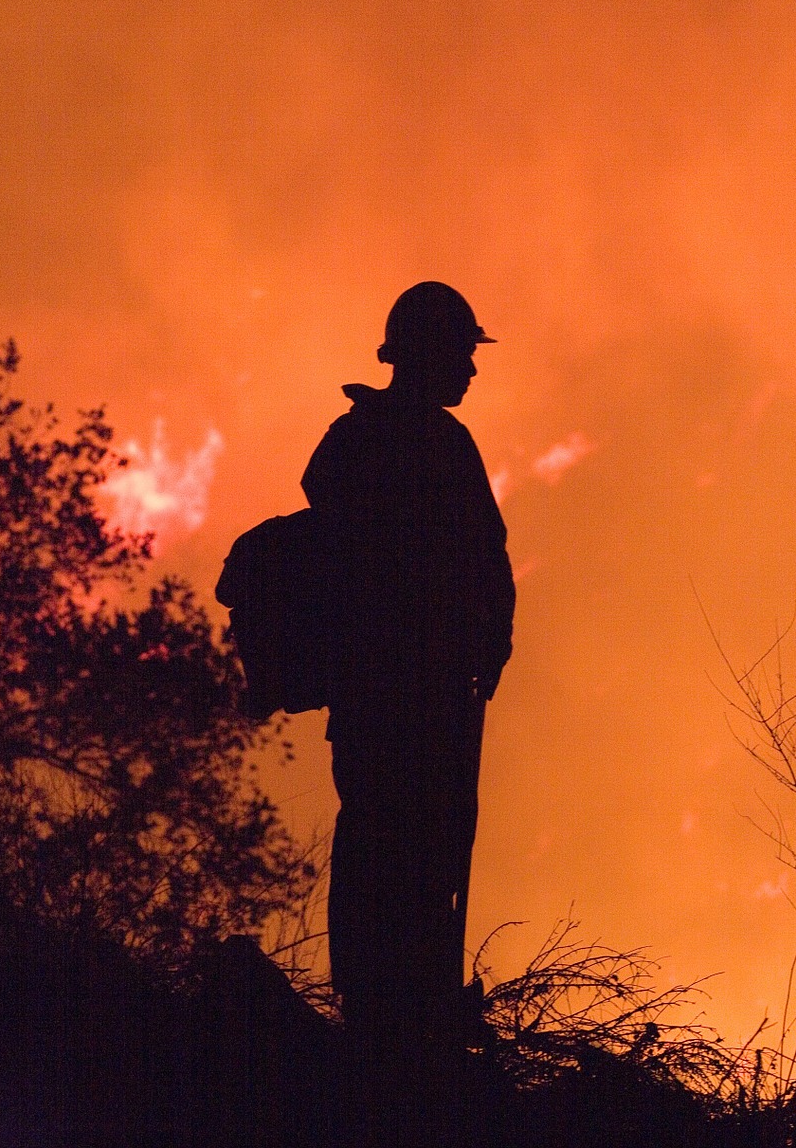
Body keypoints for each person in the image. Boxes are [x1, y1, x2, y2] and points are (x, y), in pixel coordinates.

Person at [302, 281, 515, 1145]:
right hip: (418, 699)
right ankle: (404, 1029)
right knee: (419, 855)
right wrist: (476, 654)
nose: (469, 367)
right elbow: (479, 567)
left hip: (386, 697)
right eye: (461, 351)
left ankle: (386, 1016)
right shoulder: (432, 446)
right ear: (426, 355)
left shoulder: (354, 443)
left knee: (383, 845)